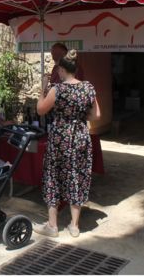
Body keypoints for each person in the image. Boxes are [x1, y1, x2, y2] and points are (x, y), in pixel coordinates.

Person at [35, 49, 101, 238]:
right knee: (76, 175)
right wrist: (78, 116)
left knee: (53, 176)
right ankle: (74, 226)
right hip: (80, 135)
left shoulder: (58, 89)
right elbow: (96, 115)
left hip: (60, 137)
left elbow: (40, 110)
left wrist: (42, 89)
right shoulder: (88, 87)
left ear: (62, 70)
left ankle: (53, 226)